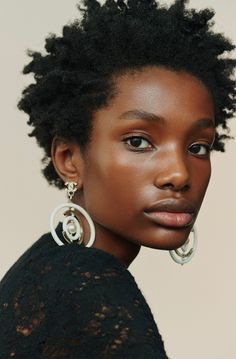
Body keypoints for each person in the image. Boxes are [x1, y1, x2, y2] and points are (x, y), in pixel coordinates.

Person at [0, 0, 235, 357]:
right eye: (139, 141)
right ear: (69, 159)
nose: (179, 174)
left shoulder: (46, 268)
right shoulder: (88, 288)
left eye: (198, 146)